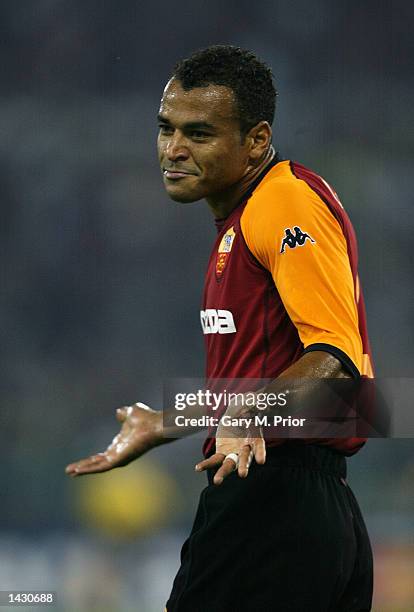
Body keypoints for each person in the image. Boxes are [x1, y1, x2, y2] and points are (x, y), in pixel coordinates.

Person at [66, 45, 374, 611]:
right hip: (309, 509)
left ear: (256, 140)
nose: (172, 150)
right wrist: (165, 420)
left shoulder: (283, 202)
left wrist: (247, 415)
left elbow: (336, 357)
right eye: (166, 129)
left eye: (200, 134)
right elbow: (263, 385)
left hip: (272, 506)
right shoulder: (243, 221)